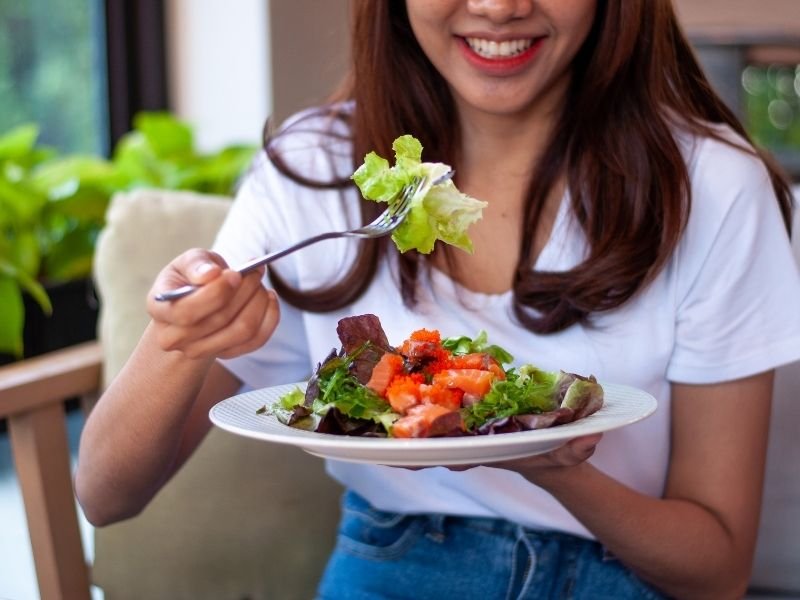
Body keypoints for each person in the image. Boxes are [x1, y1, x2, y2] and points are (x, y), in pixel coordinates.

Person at [75, 1, 800, 598]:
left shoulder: (711, 187)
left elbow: (715, 573)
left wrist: (555, 467)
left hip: (621, 577)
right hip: (393, 567)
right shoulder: (313, 171)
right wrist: (177, 339)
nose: (499, 7)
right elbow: (106, 496)